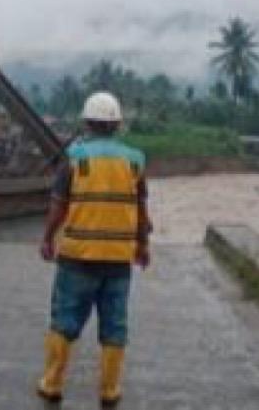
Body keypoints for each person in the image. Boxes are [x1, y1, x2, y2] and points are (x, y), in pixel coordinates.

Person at [37, 91, 151, 407]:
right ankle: (110, 391)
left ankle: (52, 384)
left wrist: (47, 238)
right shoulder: (135, 160)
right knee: (115, 325)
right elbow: (141, 210)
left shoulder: (73, 158)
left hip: (77, 257)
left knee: (64, 320)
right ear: (117, 124)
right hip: (118, 260)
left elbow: (58, 207)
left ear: (87, 122)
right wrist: (143, 245)